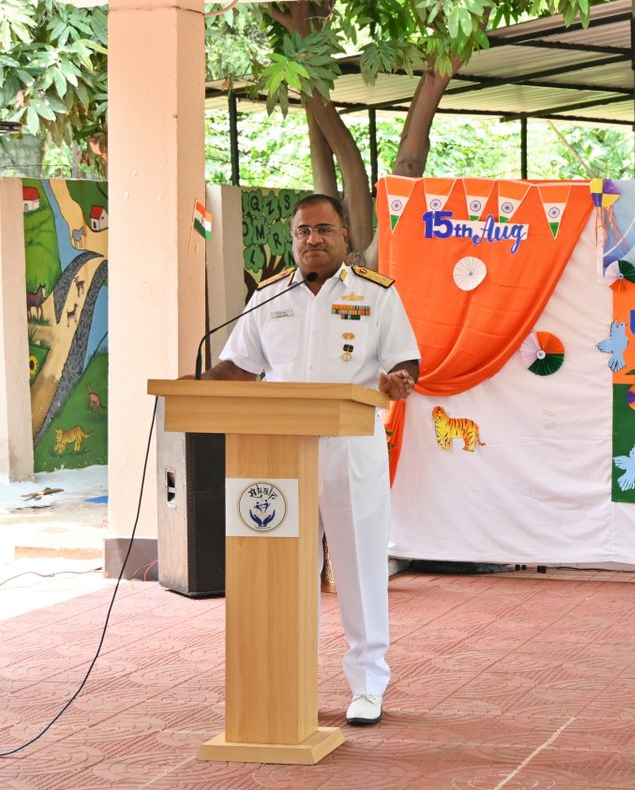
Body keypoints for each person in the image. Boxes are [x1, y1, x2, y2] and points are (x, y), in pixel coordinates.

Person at [202, 194, 421, 725]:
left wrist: (396, 382)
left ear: (345, 235)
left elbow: (405, 362)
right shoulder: (269, 297)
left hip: (349, 448)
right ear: (293, 238)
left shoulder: (376, 294)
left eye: (323, 229)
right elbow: (237, 367)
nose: (312, 240)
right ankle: (282, 678)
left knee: (360, 566)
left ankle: (368, 685)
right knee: (278, 570)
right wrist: (193, 385)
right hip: (276, 452)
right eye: (302, 232)